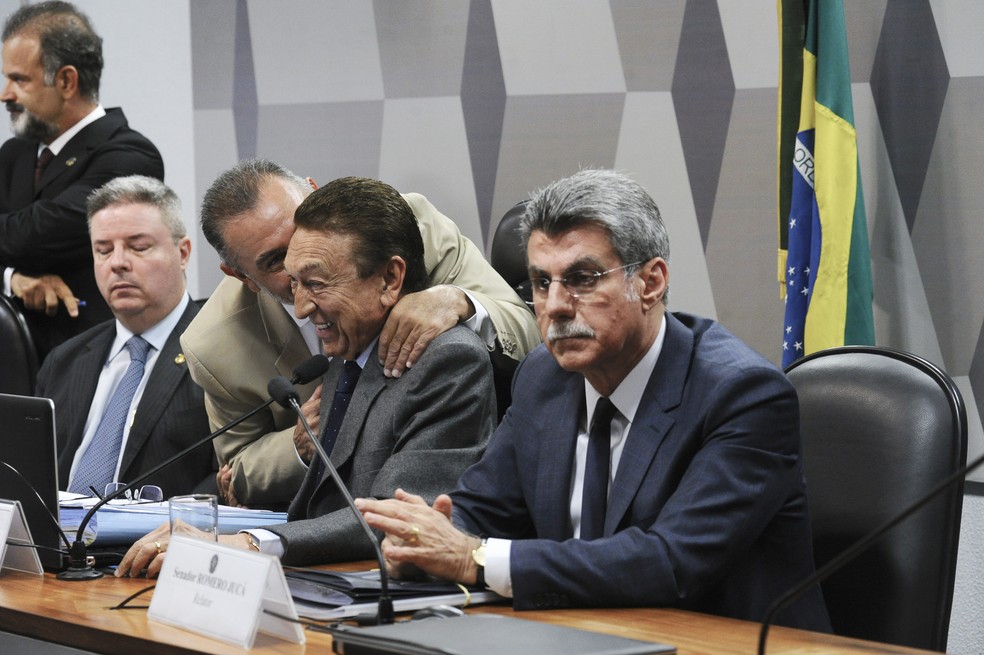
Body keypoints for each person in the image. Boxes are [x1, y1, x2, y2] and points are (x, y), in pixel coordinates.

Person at [356, 169, 832, 631]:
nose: (556, 306)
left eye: (582, 279)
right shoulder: (545, 376)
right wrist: (423, 541)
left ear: (651, 283)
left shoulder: (742, 394)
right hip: (582, 633)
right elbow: (485, 507)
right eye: (541, 283)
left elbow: (670, 562)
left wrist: (471, 556)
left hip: (718, 642)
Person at [116, 176, 495, 576]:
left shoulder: (449, 362)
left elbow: (395, 521)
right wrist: (214, 532)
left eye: (315, 283)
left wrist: (248, 542)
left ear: (389, 279)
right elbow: (312, 508)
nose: (299, 310)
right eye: (291, 281)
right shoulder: (342, 360)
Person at [180, 159, 539, 508]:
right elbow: (236, 470)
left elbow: (531, 338)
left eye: (301, 228)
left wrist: (460, 300)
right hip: (325, 515)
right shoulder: (216, 343)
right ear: (242, 276)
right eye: (277, 260)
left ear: (315, 194)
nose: (303, 256)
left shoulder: (407, 226)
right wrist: (298, 445)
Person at [0, 1, 165, 360]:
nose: (5, 94)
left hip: (92, 364)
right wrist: (12, 278)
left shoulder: (130, 155)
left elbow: (35, 233)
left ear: (66, 80)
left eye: (19, 79)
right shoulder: (13, 155)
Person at [35, 175, 214, 499]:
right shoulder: (64, 360)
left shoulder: (218, 350)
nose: (117, 263)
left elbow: (232, 475)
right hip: (55, 543)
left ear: (183, 252)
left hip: (161, 542)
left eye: (139, 247)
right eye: (103, 250)